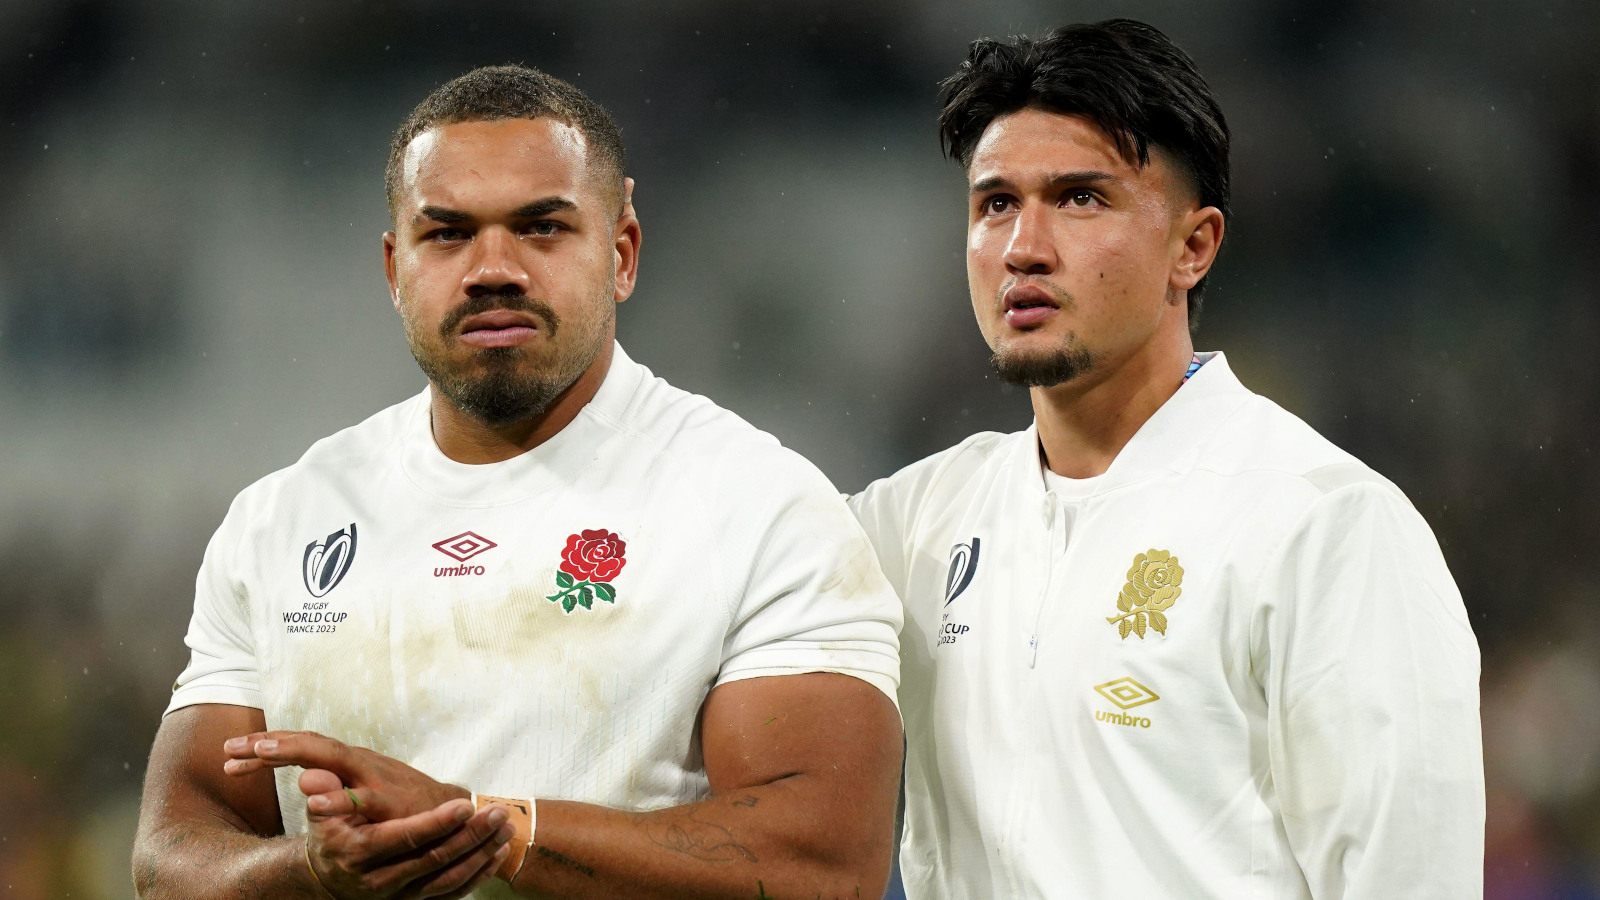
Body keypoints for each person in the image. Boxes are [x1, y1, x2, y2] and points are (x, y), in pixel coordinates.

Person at [132, 65, 904, 900]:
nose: (492, 268)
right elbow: (173, 856)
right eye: (447, 234)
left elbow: (824, 869)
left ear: (622, 253)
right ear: (395, 270)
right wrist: (312, 872)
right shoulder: (284, 519)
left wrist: (490, 828)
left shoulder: (761, 506)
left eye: (541, 228)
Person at [848, 20, 1483, 899]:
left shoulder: (1327, 525)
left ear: (1194, 246)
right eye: (996, 203)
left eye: (1079, 198)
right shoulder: (909, 524)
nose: (1023, 247)